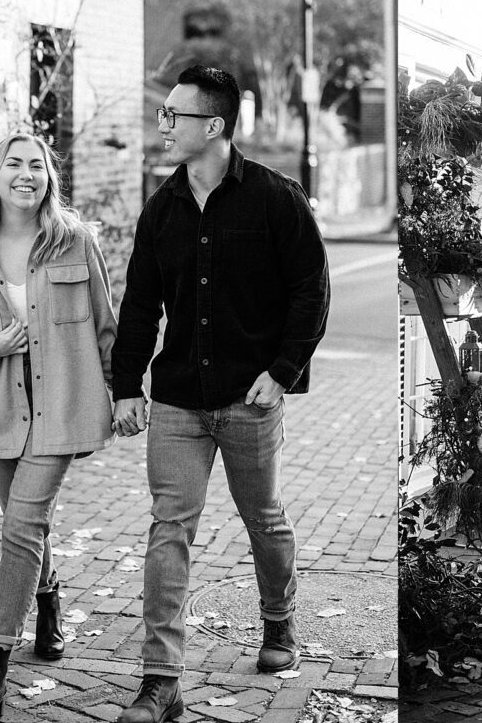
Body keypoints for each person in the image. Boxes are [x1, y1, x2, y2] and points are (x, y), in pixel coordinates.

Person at [109, 65, 330, 723]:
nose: (164, 124)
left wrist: (282, 371)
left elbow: (310, 292)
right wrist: (127, 387)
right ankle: (161, 681)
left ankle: (279, 623)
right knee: (169, 528)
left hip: (249, 399)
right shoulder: (162, 209)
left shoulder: (274, 200)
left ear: (214, 125)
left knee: (264, 519)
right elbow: (140, 305)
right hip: (178, 399)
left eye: (175, 114)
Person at [0, 132, 117, 719]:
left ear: (49, 176)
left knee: (21, 525)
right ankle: (48, 600)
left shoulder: (74, 239)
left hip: (62, 409)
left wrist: (122, 393)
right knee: (24, 522)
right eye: (13, 164)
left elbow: (105, 326)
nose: (25, 174)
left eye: (35, 165)